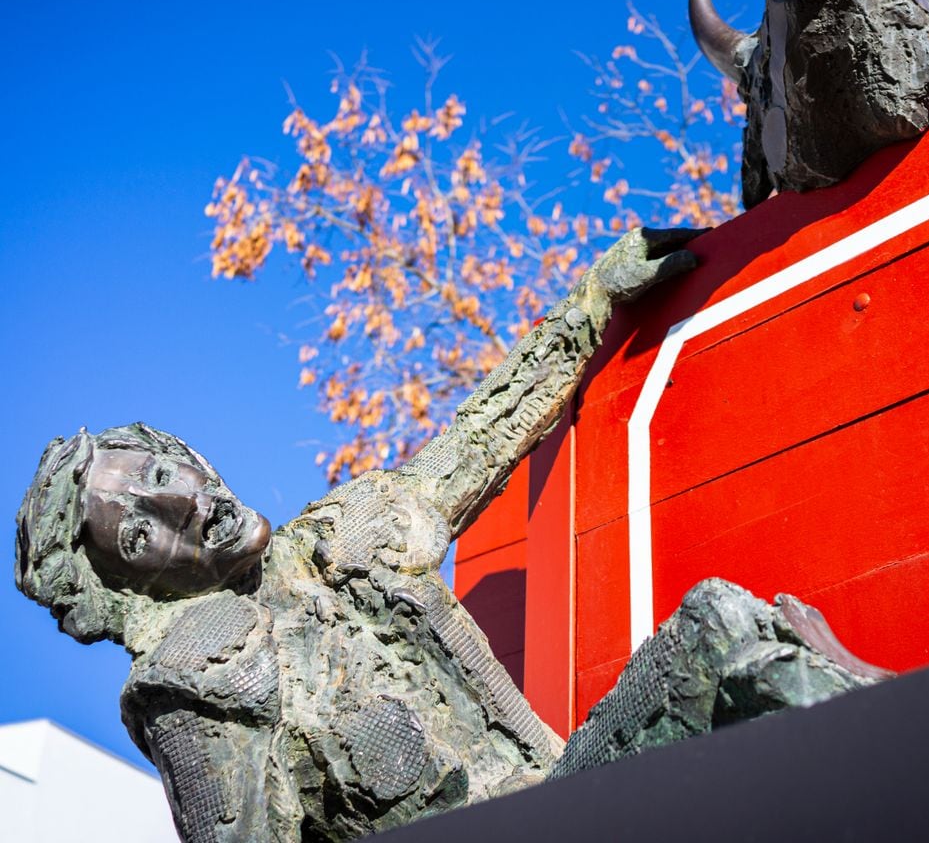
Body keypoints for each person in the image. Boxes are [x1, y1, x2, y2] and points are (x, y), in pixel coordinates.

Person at [16, 227, 884, 842]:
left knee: (722, 633)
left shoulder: (351, 535)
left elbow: (479, 437)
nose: (187, 505)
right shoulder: (195, 693)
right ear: (134, 589)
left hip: (580, 796)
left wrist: (591, 303)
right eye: (138, 535)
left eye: (164, 474)